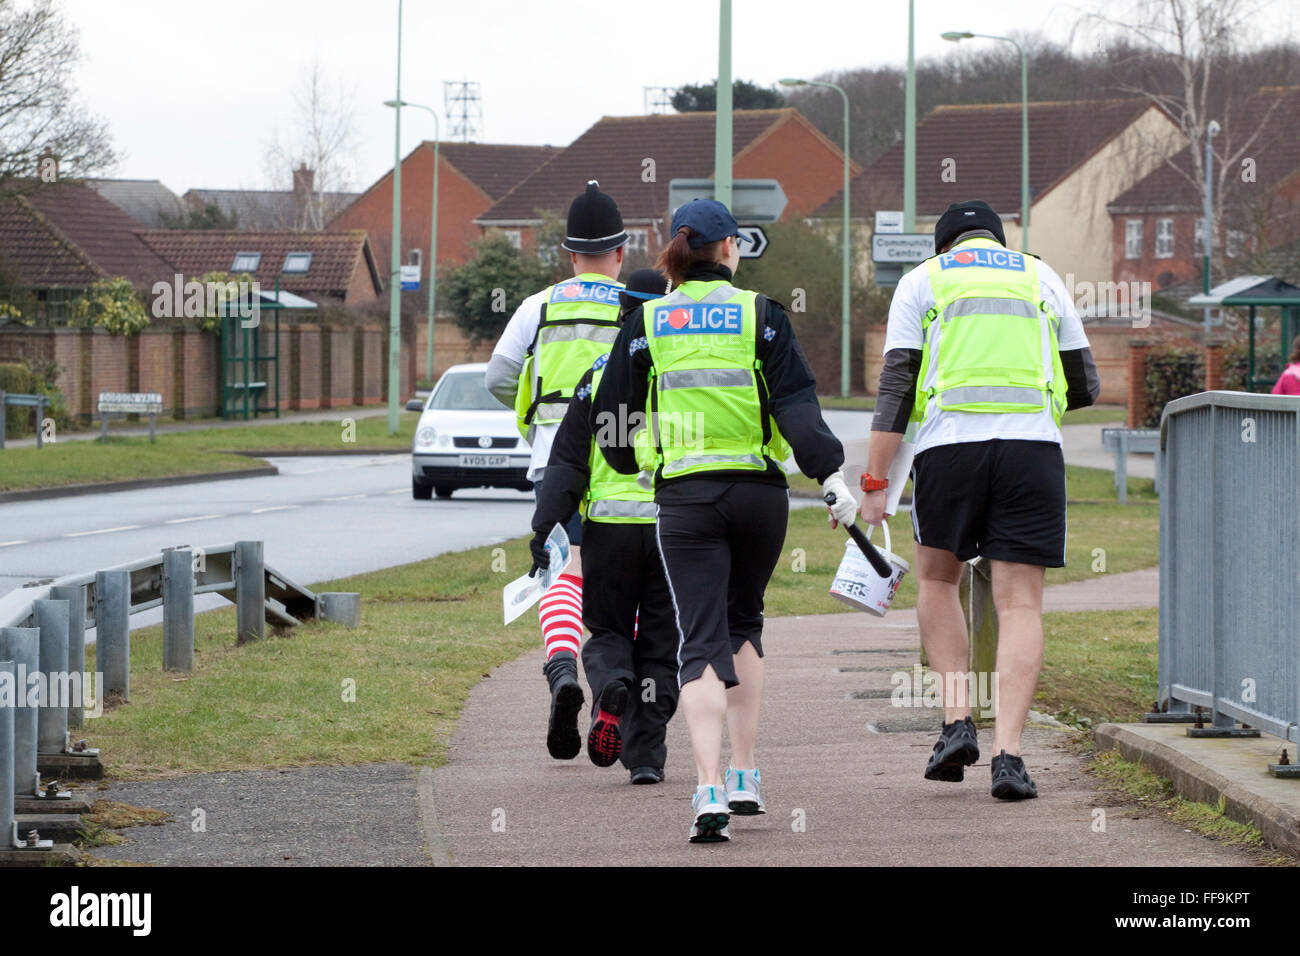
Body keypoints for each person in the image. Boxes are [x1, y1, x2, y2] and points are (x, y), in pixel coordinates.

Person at [593, 199, 853, 843]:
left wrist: (631, 458)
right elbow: (798, 406)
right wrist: (831, 478)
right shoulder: (763, 316)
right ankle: (743, 774)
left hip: (685, 499)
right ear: (730, 249)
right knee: (745, 624)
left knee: (698, 636)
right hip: (759, 498)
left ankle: (705, 787)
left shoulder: (646, 321)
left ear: (679, 251)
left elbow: (611, 419)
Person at [860, 199, 1101, 800]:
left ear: (945, 245)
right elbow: (1086, 384)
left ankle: (955, 722)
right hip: (1031, 453)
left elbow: (896, 387)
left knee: (939, 581)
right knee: (1021, 603)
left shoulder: (924, 280)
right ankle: (1010, 757)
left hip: (950, 450)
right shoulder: (1042, 275)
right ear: (999, 241)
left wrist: (875, 484)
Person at [486, 180, 628, 760]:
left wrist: (534, 415)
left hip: (553, 466)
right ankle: (615, 697)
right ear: (621, 253)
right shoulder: (636, 307)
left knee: (561, 575)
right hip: (620, 468)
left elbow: (497, 376)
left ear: (570, 255)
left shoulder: (537, 307)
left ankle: (562, 668)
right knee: (623, 588)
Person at [528, 268, 679, 784]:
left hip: (609, 531)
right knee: (660, 644)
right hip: (672, 529)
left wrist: (544, 526)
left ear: (619, 314)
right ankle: (646, 760)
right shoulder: (681, 368)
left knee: (611, 630)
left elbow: (567, 462)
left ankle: (611, 685)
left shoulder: (596, 374)